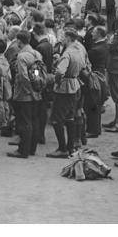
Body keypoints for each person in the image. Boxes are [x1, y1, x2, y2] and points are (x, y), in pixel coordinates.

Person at [46, 30, 87, 158]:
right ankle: (70, 147)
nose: (61, 39)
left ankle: (62, 148)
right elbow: (84, 65)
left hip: (64, 88)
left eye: (63, 37)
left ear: (68, 38)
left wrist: (57, 82)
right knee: (70, 117)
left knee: (56, 119)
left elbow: (59, 72)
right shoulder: (80, 48)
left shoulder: (67, 53)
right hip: (75, 85)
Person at [8, 31, 43, 158]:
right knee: (34, 121)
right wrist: (35, 89)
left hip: (24, 94)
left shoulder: (21, 56)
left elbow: (23, 77)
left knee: (24, 122)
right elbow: (37, 73)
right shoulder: (36, 54)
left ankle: (22, 150)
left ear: (19, 41)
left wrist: (28, 91)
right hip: (36, 92)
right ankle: (31, 149)